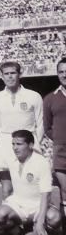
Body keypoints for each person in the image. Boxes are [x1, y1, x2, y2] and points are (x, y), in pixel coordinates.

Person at [0, 130, 61, 235]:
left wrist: (40, 221)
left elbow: (46, 194)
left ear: (30, 145)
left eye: (19, 144)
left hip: (38, 205)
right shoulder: (10, 158)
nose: (15, 148)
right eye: (13, 144)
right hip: (18, 204)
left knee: (55, 218)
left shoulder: (41, 162)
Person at [0, 61, 44, 194]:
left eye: (13, 73)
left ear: (20, 74)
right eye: (6, 74)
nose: (10, 77)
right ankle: (8, 213)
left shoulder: (34, 96)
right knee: (7, 189)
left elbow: (41, 123)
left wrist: (32, 144)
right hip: (5, 144)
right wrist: (6, 142)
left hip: (28, 145)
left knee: (30, 186)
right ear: (2, 76)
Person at [42, 58, 66, 216]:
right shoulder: (50, 98)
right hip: (61, 151)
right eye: (61, 71)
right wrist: (60, 139)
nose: (65, 75)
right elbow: (47, 127)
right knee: (65, 190)